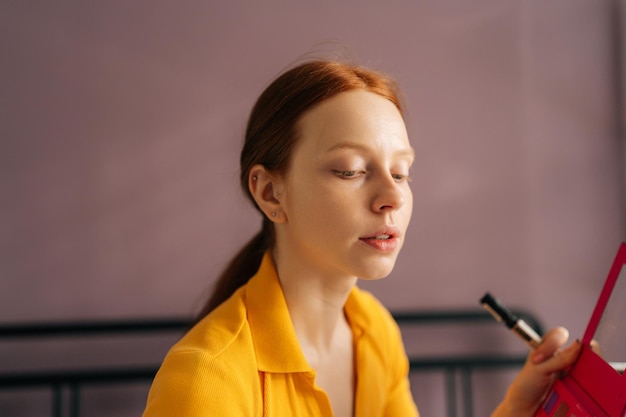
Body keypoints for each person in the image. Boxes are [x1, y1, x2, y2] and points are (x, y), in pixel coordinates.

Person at [142, 59, 581, 417]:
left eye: (401, 172)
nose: (391, 197)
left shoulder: (374, 332)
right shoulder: (206, 381)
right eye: (350, 170)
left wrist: (517, 409)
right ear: (270, 193)